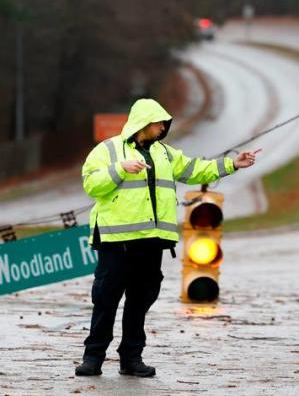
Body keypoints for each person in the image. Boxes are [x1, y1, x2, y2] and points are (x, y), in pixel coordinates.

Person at [75, 98, 258, 377]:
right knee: (106, 300)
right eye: (159, 123)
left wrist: (232, 164)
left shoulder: (165, 154)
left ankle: (131, 359)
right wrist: (120, 169)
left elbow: (196, 169)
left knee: (140, 301)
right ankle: (93, 359)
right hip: (116, 242)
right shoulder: (107, 150)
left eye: (164, 124)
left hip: (152, 241)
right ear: (143, 123)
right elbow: (91, 185)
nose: (162, 128)